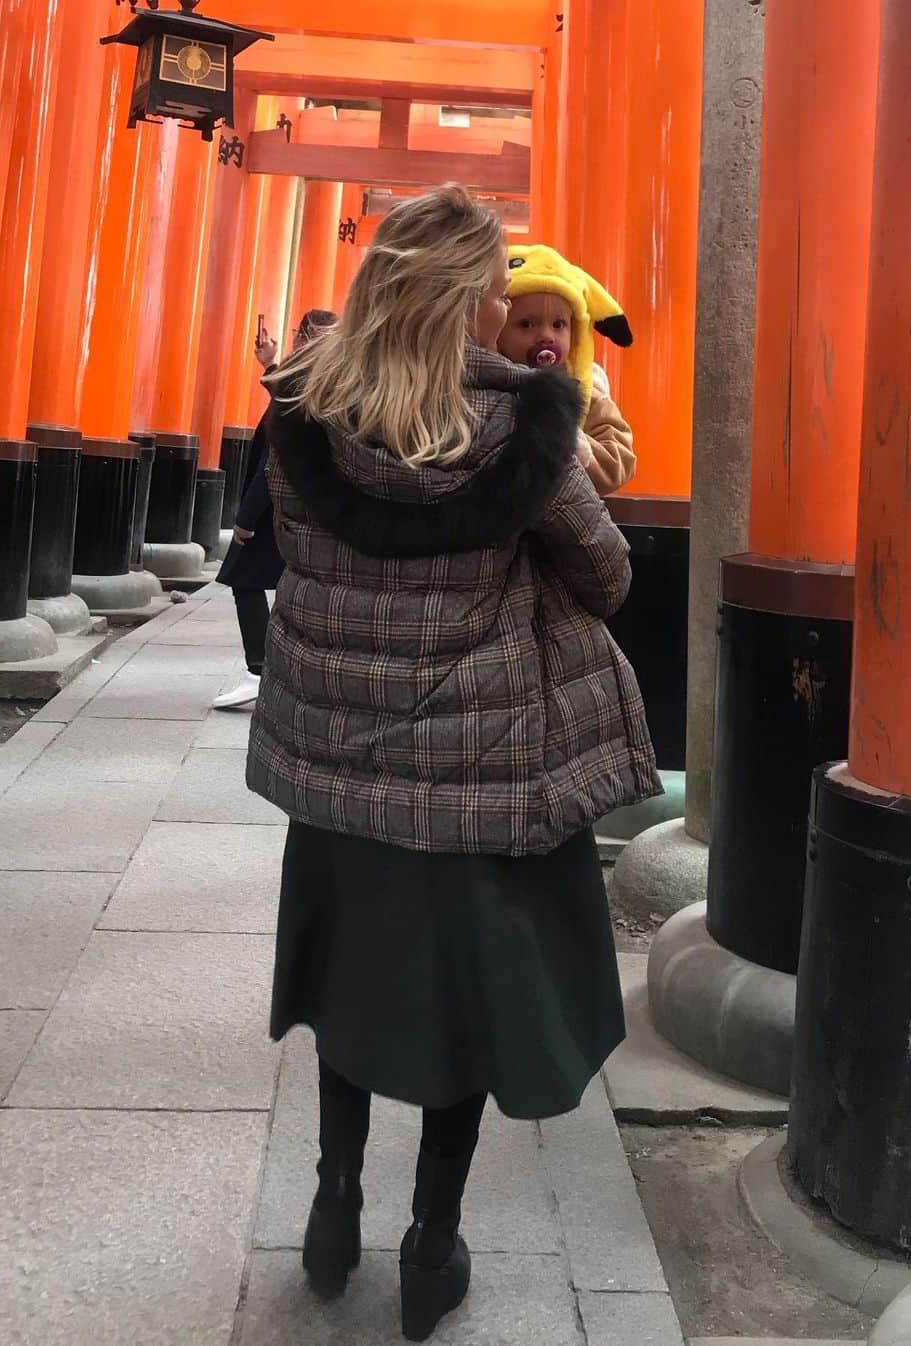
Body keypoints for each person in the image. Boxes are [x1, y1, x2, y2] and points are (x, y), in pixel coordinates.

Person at [245, 187, 661, 1341]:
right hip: (477, 781)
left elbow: (294, 546)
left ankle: (335, 1199)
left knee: (348, 988)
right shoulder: (523, 426)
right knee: (463, 1018)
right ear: (472, 301)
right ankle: (432, 1240)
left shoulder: (300, 413)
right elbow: (609, 573)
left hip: (337, 772)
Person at [213, 309, 338, 710]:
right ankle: (284, 671)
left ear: (303, 338)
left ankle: (261, 670)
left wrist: (245, 519)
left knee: (244, 579)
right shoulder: (326, 386)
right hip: (305, 507)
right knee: (294, 587)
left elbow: (274, 460)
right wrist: (269, 363)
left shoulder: (311, 390)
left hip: (276, 506)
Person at [497, 242, 637, 496]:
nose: (546, 336)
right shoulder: (488, 385)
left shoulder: (587, 391)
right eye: (527, 324)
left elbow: (620, 461)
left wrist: (574, 444)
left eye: (559, 324)